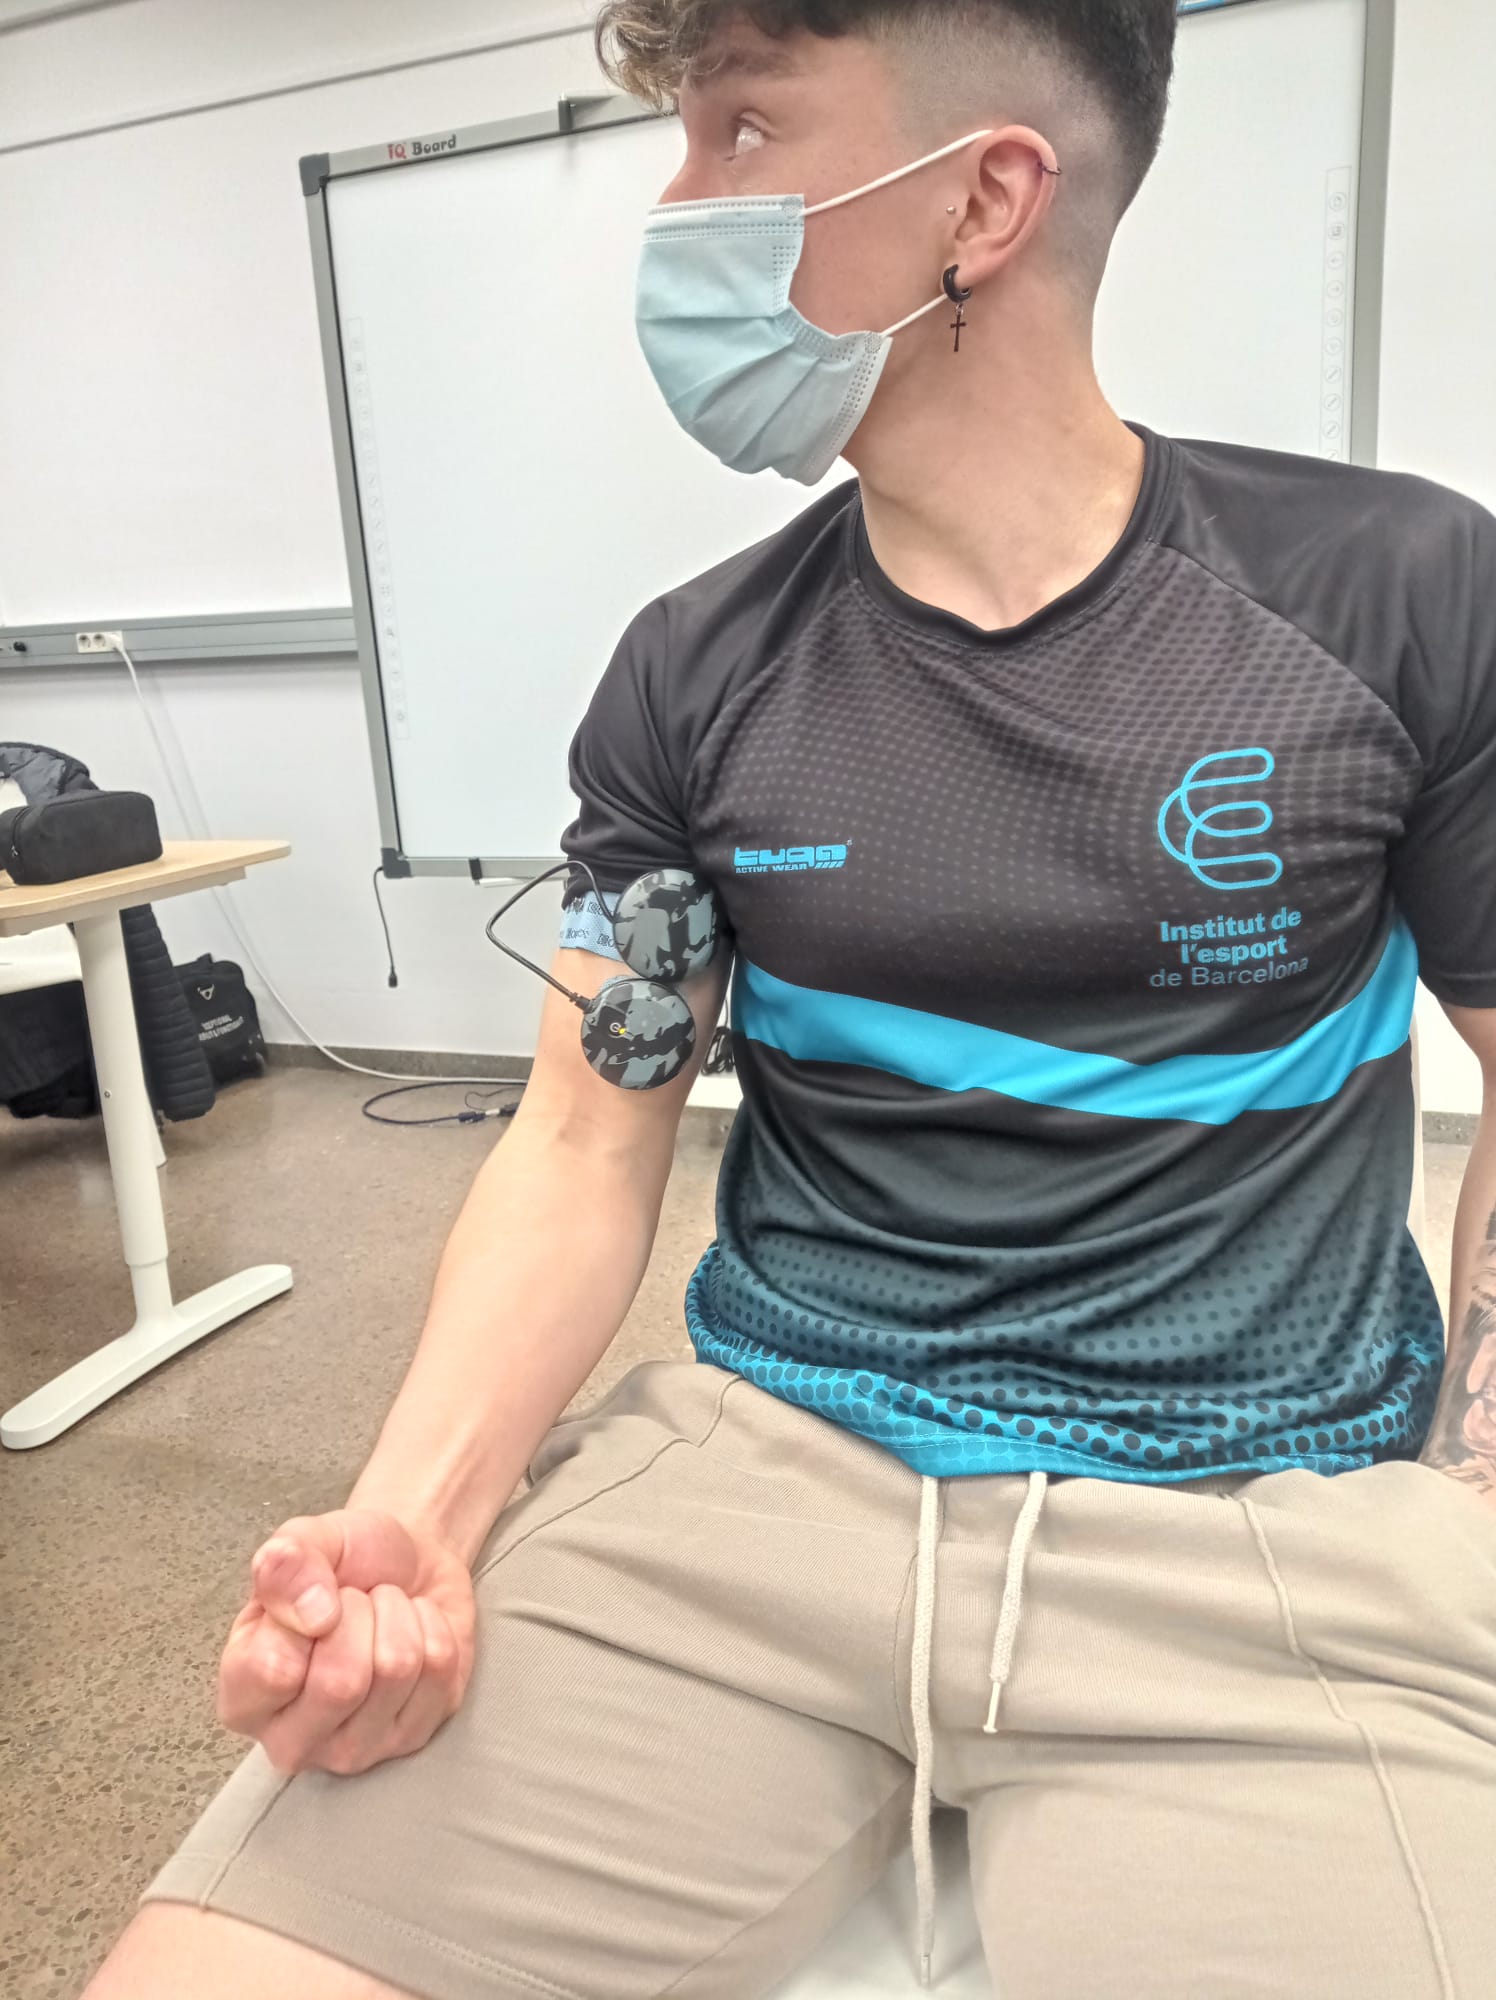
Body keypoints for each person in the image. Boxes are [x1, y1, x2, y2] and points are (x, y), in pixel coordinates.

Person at [86, 0, 1496, 1995]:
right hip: (762, 1480)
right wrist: (409, 1522)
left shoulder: (1395, 595)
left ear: (984, 201)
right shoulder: (695, 672)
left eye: (740, 132)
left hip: (1264, 1527)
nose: (676, 202)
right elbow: (583, 1140)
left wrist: (1469, 1509)